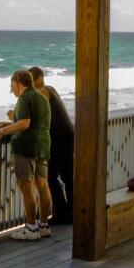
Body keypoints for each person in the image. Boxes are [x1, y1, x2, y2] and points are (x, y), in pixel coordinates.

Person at [0, 68, 54, 237]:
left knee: (26, 187)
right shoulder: (42, 96)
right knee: (43, 185)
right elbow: (33, 121)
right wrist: (7, 124)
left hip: (26, 148)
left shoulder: (25, 98)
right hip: (43, 146)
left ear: (19, 83)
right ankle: (44, 225)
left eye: (13, 87)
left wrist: (1, 133)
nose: (13, 92)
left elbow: (25, 124)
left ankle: (31, 229)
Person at [30, 66, 75, 224]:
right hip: (68, 133)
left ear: (39, 79)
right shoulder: (51, 89)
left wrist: (14, 118)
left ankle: (62, 213)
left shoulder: (42, 92)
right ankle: (72, 212)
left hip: (59, 137)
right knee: (68, 175)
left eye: (30, 80)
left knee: (50, 176)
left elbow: (32, 117)